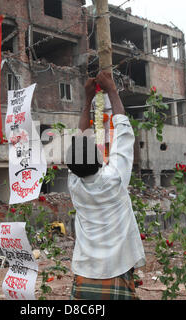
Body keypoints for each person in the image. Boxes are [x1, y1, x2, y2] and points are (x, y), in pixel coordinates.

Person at [66, 71, 145, 300]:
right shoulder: (115, 179)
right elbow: (122, 132)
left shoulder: (75, 185)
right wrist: (112, 90)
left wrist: (87, 102)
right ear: (100, 158)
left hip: (84, 273)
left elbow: (81, 140)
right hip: (118, 270)